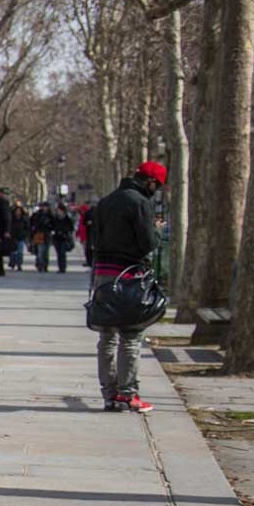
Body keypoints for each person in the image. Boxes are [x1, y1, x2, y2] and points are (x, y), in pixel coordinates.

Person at [88, 161, 165, 413]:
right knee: (131, 336)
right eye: (158, 185)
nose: (158, 190)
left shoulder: (106, 201)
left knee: (107, 337)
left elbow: (94, 240)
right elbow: (147, 243)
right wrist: (156, 230)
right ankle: (127, 393)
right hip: (129, 275)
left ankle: (109, 395)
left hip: (103, 274)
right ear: (150, 182)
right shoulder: (140, 203)